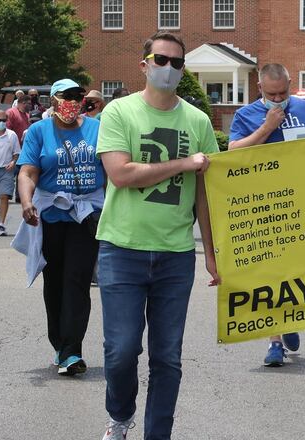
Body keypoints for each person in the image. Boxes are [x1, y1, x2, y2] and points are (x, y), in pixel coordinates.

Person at [96, 31, 219, 440]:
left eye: (177, 63)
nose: (168, 68)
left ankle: (158, 434)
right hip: (122, 249)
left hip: (175, 254)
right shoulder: (119, 112)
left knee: (167, 357)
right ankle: (120, 414)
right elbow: (121, 173)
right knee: (121, 351)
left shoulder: (198, 121)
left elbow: (205, 194)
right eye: (160, 60)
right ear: (144, 63)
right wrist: (184, 163)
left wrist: (214, 254)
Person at [228, 63, 305, 366]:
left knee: (296, 273)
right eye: (272, 94)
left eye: (283, 93)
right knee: (270, 274)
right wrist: (266, 127)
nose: (278, 98)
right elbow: (233, 152)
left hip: (303, 201)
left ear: (291, 83)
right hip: (265, 204)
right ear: (259, 88)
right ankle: (275, 341)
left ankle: (290, 319)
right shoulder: (246, 115)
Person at [14, 79, 104, 376]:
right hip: (51, 216)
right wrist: (27, 201)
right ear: (53, 100)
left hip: (86, 216)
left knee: (77, 282)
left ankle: (72, 350)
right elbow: (27, 171)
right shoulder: (39, 131)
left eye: (79, 96)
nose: (74, 101)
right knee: (54, 282)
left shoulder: (96, 128)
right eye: (68, 96)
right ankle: (59, 343)